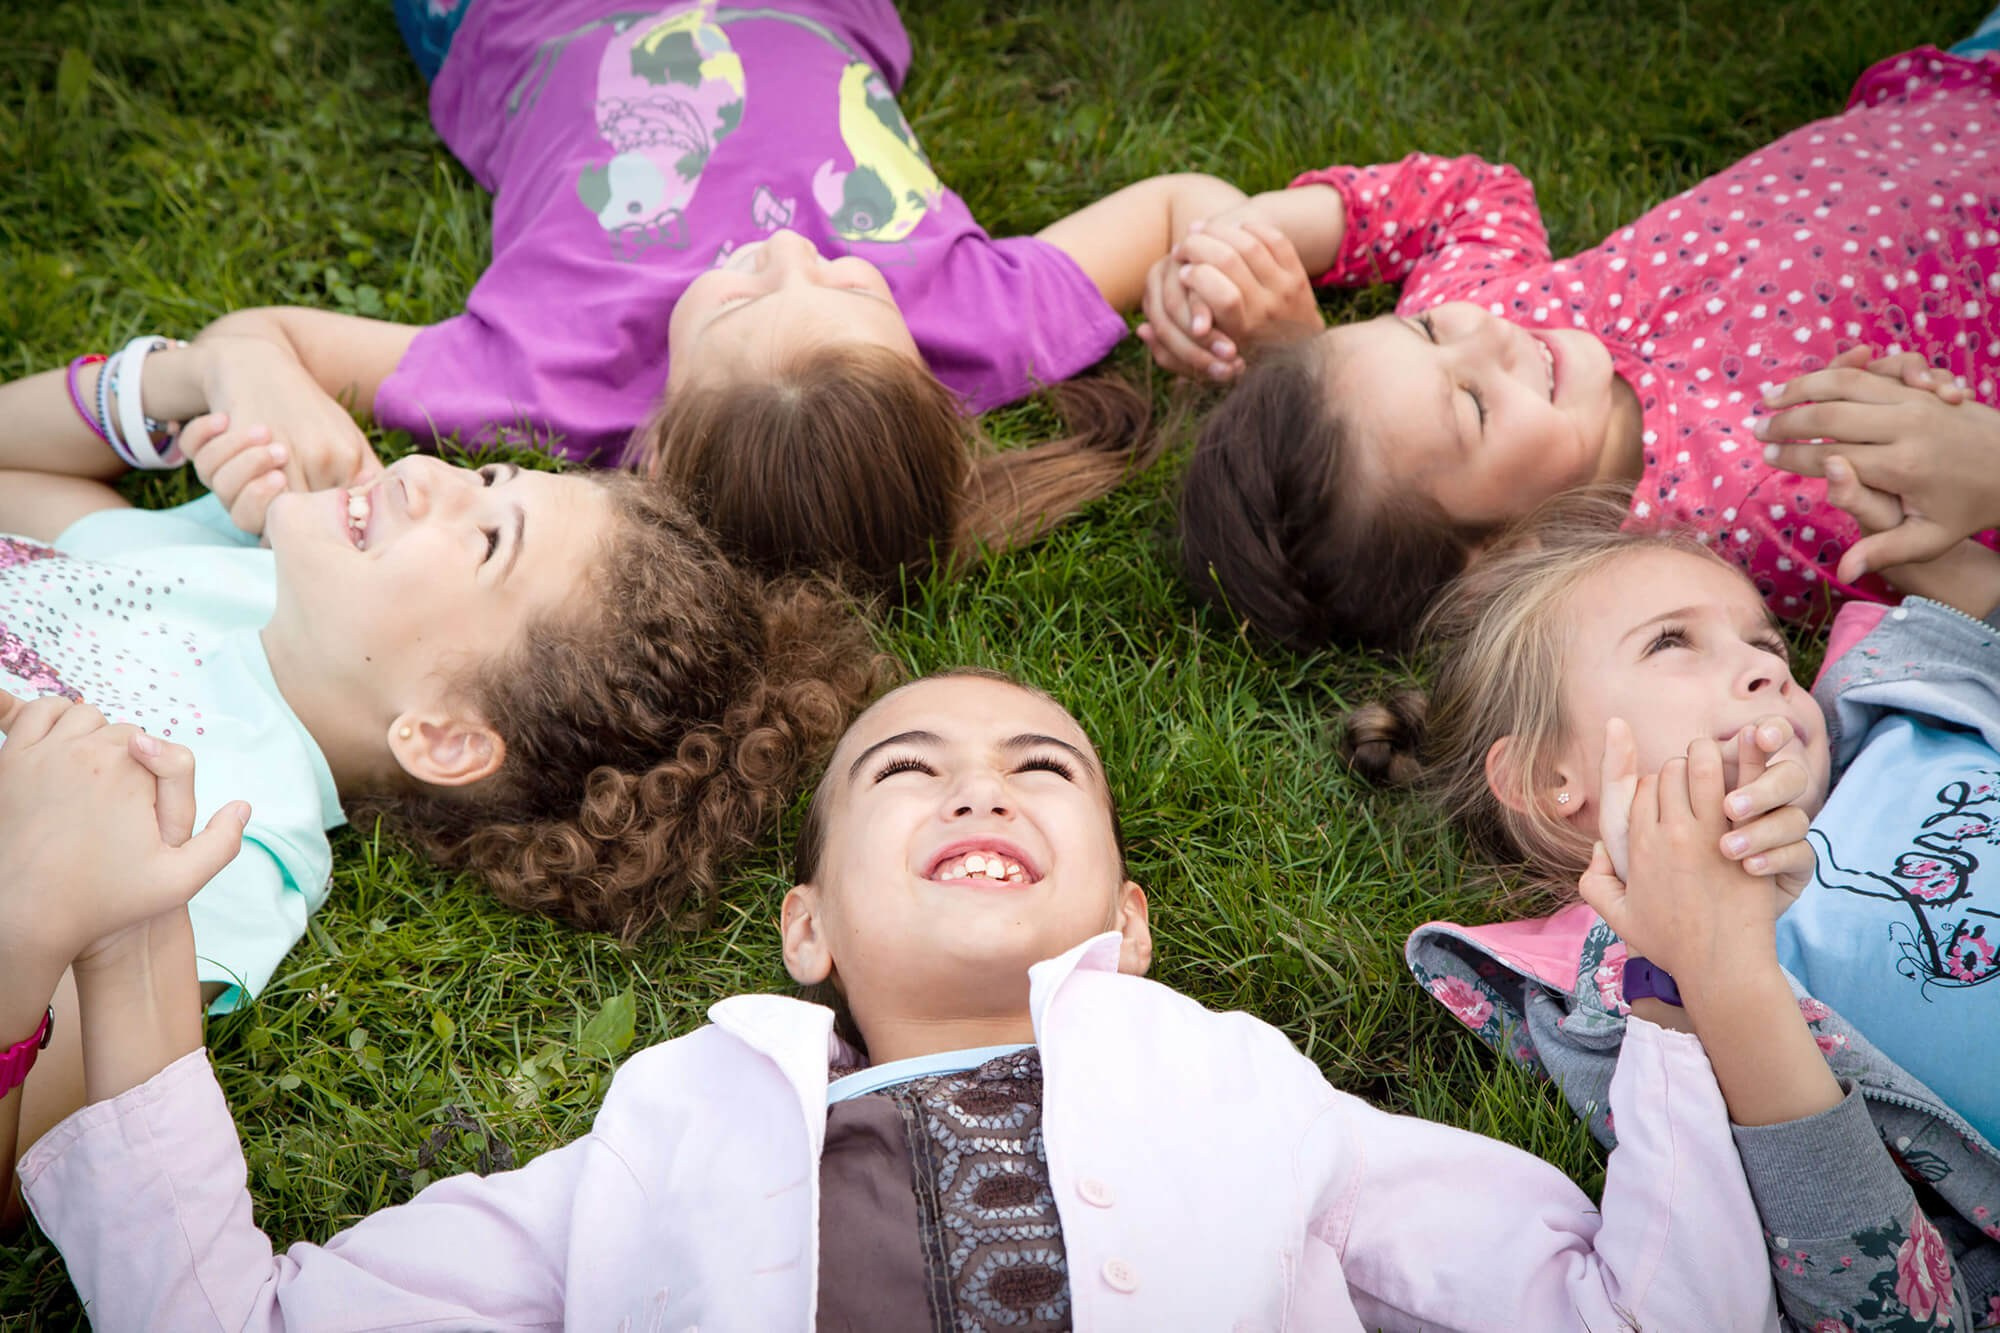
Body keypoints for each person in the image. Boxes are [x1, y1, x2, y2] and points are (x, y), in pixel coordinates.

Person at [4, 671, 1789, 1330]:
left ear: (1132, 921)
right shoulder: (666, 1132)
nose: (979, 791)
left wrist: (1698, 991)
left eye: (1042, 767)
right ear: (805, 927)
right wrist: (127, 946)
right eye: (906, 771)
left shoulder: (1257, 1095)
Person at [14, 0, 1341, 592]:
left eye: (733, 301)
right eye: (848, 285)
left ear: (656, 434)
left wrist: (245, 375)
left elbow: (267, 338)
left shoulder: (541, 375)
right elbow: (1175, 202)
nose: (792, 251)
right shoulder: (975, 324)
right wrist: (1221, 265)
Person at [0, 367, 885, 1219]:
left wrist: (26, 916)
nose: (423, 473)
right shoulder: (233, 570)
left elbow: (17, 1166)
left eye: (486, 539)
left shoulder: (227, 847)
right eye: (486, 475)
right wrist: (192, 378)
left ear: (446, 736)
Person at [1351, 468, 2000, 1327]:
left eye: (1768, 644)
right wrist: (1725, 972)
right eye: (1671, 643)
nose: (1764, 670)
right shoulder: (1652, 1011)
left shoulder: (1908, 708)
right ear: (1552, 779)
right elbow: (1893, 1308)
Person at [1164, 39, 2000, 650]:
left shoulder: (1492, 307)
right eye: (1473, 404)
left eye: (1419, 328)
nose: (1485, 335)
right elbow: (1966, 578)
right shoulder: (1756, 514)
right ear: (1496, 559)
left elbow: (1464, 200)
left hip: (1953, 93)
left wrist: (1259, 232)